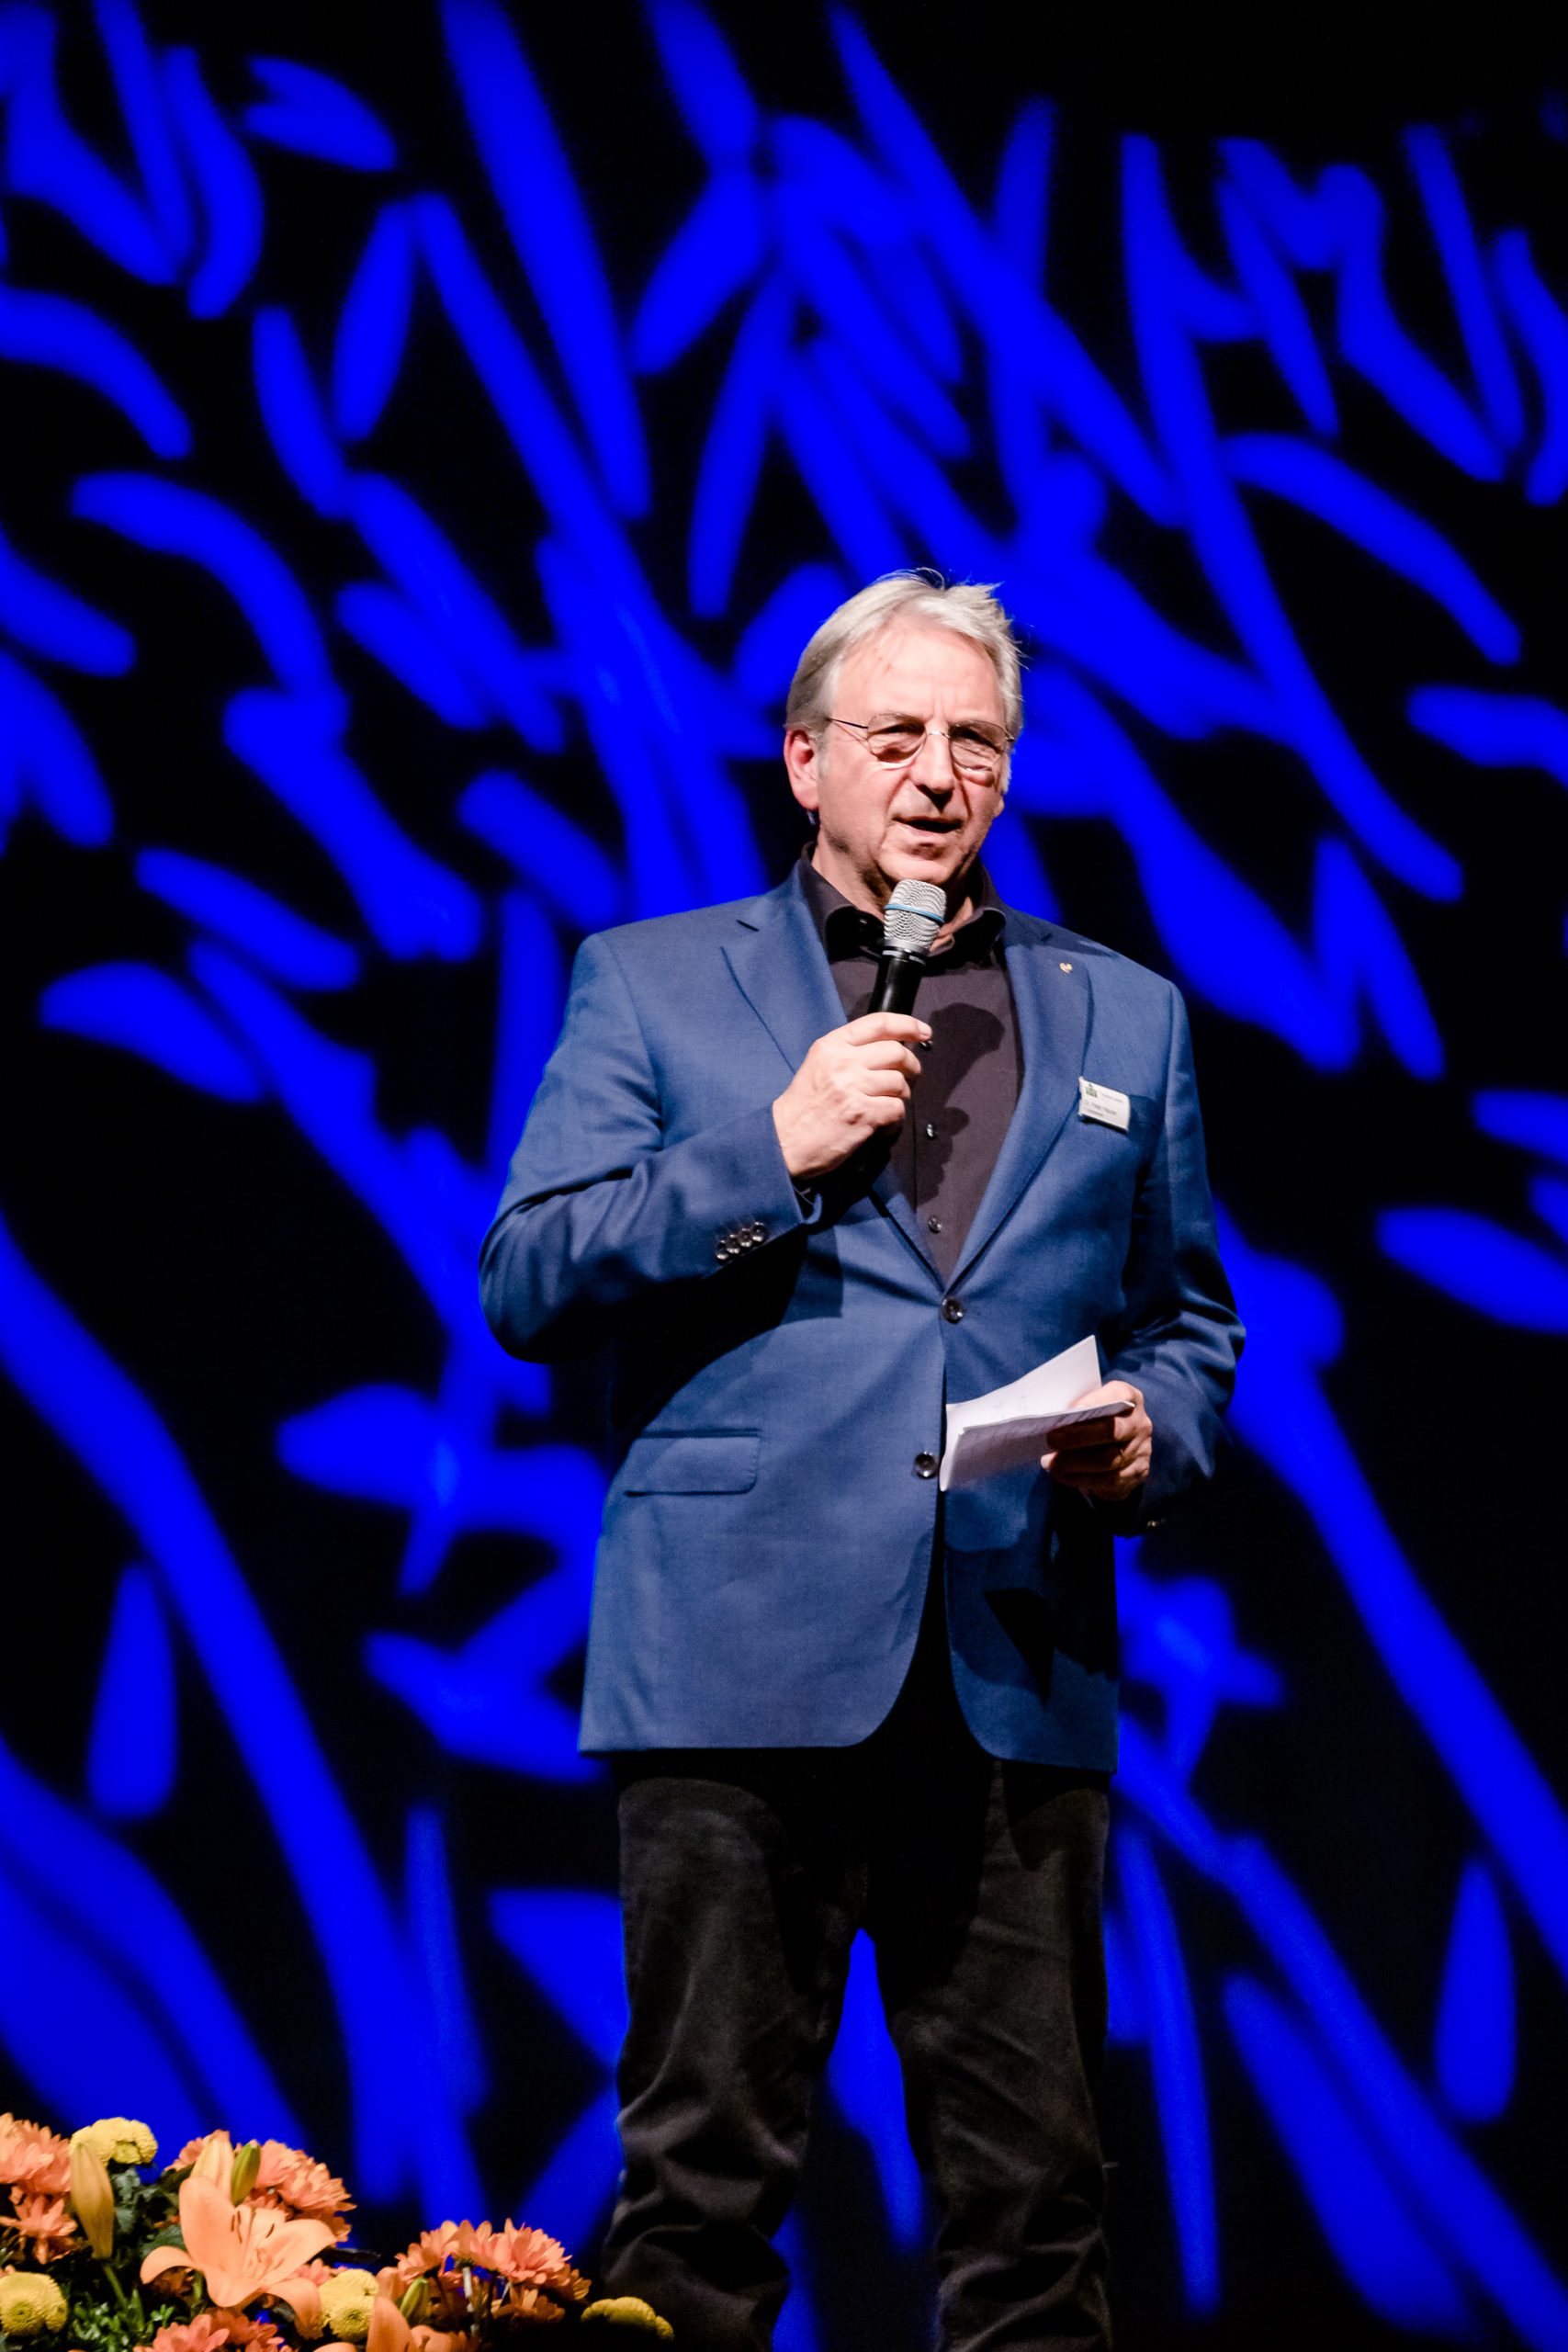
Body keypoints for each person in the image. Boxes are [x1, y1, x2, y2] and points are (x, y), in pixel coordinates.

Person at [479, 573, 1242, 2350]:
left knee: (1036, 2212)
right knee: (699, 2199)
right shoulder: (655, 983)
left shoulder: (1126, 1015)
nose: (937, 774)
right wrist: (771, 1148)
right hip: (737, 1668)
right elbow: (529, 1275)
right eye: (895, 736)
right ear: (805, 760)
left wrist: (1152, 1434)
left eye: (975, 740)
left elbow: (1189, 1319)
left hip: (1009, 1675)